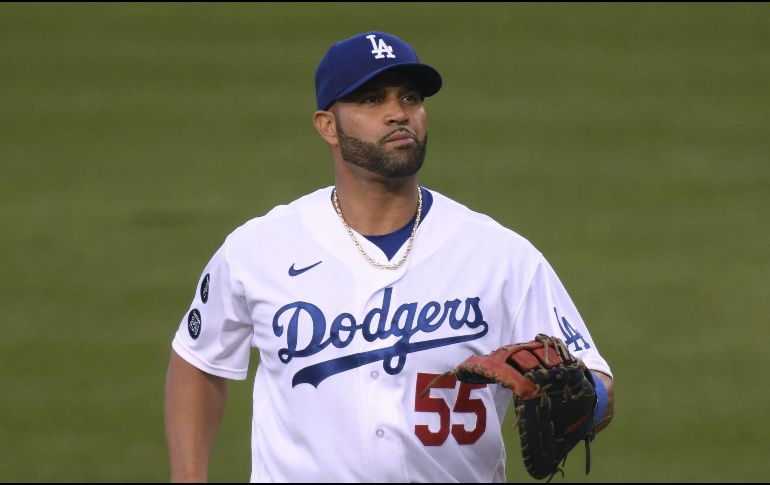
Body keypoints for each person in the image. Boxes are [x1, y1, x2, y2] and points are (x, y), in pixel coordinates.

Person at [164, 31, 614, 483]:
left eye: (410, 97)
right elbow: (198, 361)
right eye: (373, 99)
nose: (398, 113)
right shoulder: (258, 249)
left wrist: (586, 396)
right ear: (327, 126)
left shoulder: (500, 256)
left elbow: (598, 383)